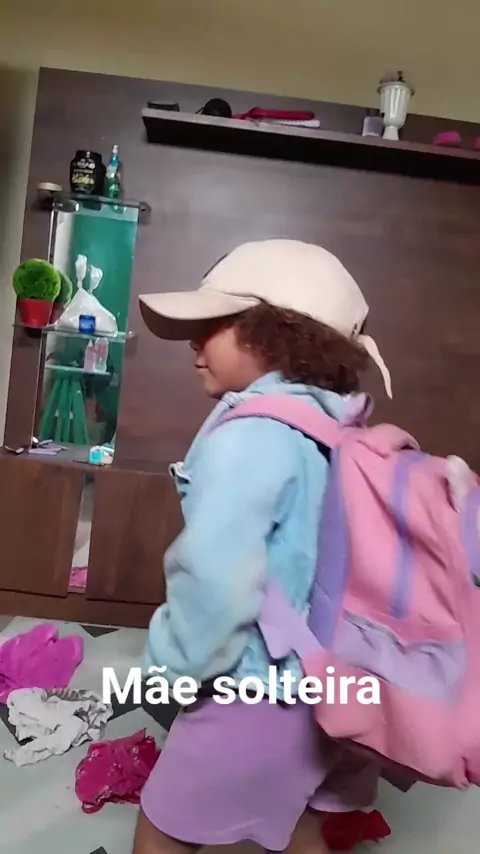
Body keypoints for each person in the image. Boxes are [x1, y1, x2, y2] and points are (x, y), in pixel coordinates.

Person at [134, 240, 391, 854]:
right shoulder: (340, 427)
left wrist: (167, 673)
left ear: (279, 336)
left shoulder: (250, 436)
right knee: (296, 822)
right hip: (338, 687)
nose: (194, 342)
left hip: (260, 690)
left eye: (214, 324)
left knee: (162, 830)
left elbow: (215, 580)